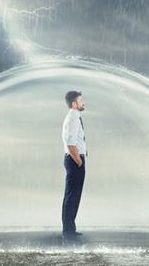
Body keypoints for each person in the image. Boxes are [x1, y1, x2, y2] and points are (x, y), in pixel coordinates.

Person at [61, 90, 87, 241]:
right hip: (74, 160)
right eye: (81, 100)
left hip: (74, 159)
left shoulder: (74, 117)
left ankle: (70, 228)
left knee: (73, 196)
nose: (83, 103)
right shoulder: (73, 118)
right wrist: (79, 161)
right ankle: (68, 233)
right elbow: (71, 144)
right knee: (71, 197)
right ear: (74, 104)